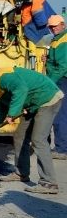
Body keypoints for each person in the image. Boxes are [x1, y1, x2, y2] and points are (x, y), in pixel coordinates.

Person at [0, 63, 63, 194]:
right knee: (19, 137)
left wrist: (12, 114)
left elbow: (21, 89)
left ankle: (49, 183)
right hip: (32, 104)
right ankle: (21, 173)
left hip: (47, 99)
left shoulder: (4, 77)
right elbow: (0, 110)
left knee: (38, 139)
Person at [46, 14, 67, 159]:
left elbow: (62, 67)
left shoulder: (63, 41)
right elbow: (56, 61)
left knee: (60, 115)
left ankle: (61, 150)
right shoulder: (57, 40)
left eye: (55, 26)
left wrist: (49, 83)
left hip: (61, 80)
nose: (52, 28)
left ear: (62, 25)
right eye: (50, 26)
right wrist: (47, 59)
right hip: (59, 79)